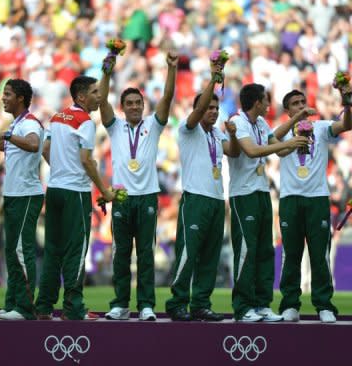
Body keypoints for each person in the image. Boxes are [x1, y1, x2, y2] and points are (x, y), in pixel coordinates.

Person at [99, 51, 178, 321]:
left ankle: (146, 305)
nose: (134, 107)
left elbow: (167, 98)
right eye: (129, 103)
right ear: (122, 107)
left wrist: (171, 69)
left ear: (144, 105)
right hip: (121, 197)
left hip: (146, 196)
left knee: (146, 254)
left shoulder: (153, 126)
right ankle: (120, 304)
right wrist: (107, 71)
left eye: (138, 103)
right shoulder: (114, 127)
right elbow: (101, 101)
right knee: (121, 254)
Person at [165, 60, 240, 321]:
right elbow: (197, 111)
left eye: (216, 108)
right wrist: (214, 80)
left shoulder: (218, 136)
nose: (213, 112)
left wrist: (233, 134)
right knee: (188, 252)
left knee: (210, 256)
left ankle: (200, 304)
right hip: (195, 198)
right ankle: (176, 303)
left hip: (217, 200)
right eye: (209, 107)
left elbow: (234, 152)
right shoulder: (188, 130)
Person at [35, 75, 115, 320]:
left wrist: (60, 170)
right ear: (81, 96)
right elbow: (86, 160)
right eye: (94, 92)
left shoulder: (57, 118)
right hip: (75, 193)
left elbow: (46, 150)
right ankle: (73, 308)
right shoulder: (86, 122)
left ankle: (44, 307)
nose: (98, 96)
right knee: (76, 251)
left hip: (55, 189)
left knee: (52, 251)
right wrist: (104, 190)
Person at [228, 83, 308, 322]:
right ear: (256, 103)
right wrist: (288, 144)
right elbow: (252, 151)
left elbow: (279, 148)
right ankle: (243, 308)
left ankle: (262, 304)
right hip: (243, 194)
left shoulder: (261, 124)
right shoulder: (238, 122)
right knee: (246, 251)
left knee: (265, 251)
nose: (268, 105)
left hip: (262, 192)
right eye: (266, 100)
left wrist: (295, 125)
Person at [274, 89, 351, 323]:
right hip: (290, 198)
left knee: (320, 255)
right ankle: (290, 305)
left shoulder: (320, 127)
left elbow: (346, 125)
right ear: (287, 111)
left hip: (317, 198)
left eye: (302, 102)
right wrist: (296, 120)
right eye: (295, 104)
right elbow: (273, 140)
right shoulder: (284, 131)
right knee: (291, 255)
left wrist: (347, 104)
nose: (300, 106)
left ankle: (324, 305)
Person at [0, 79, 44, 320]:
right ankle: (12, 304)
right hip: (13, 195)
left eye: (7, 94)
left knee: (22, 250)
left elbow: (33, 144)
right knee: (11, 251)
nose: (3, 98)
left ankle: (25, 308)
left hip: (26, 194)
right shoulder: (16, 124)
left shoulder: (30, 123)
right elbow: (0, 142)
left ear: (20, 98)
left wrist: (8, 137)